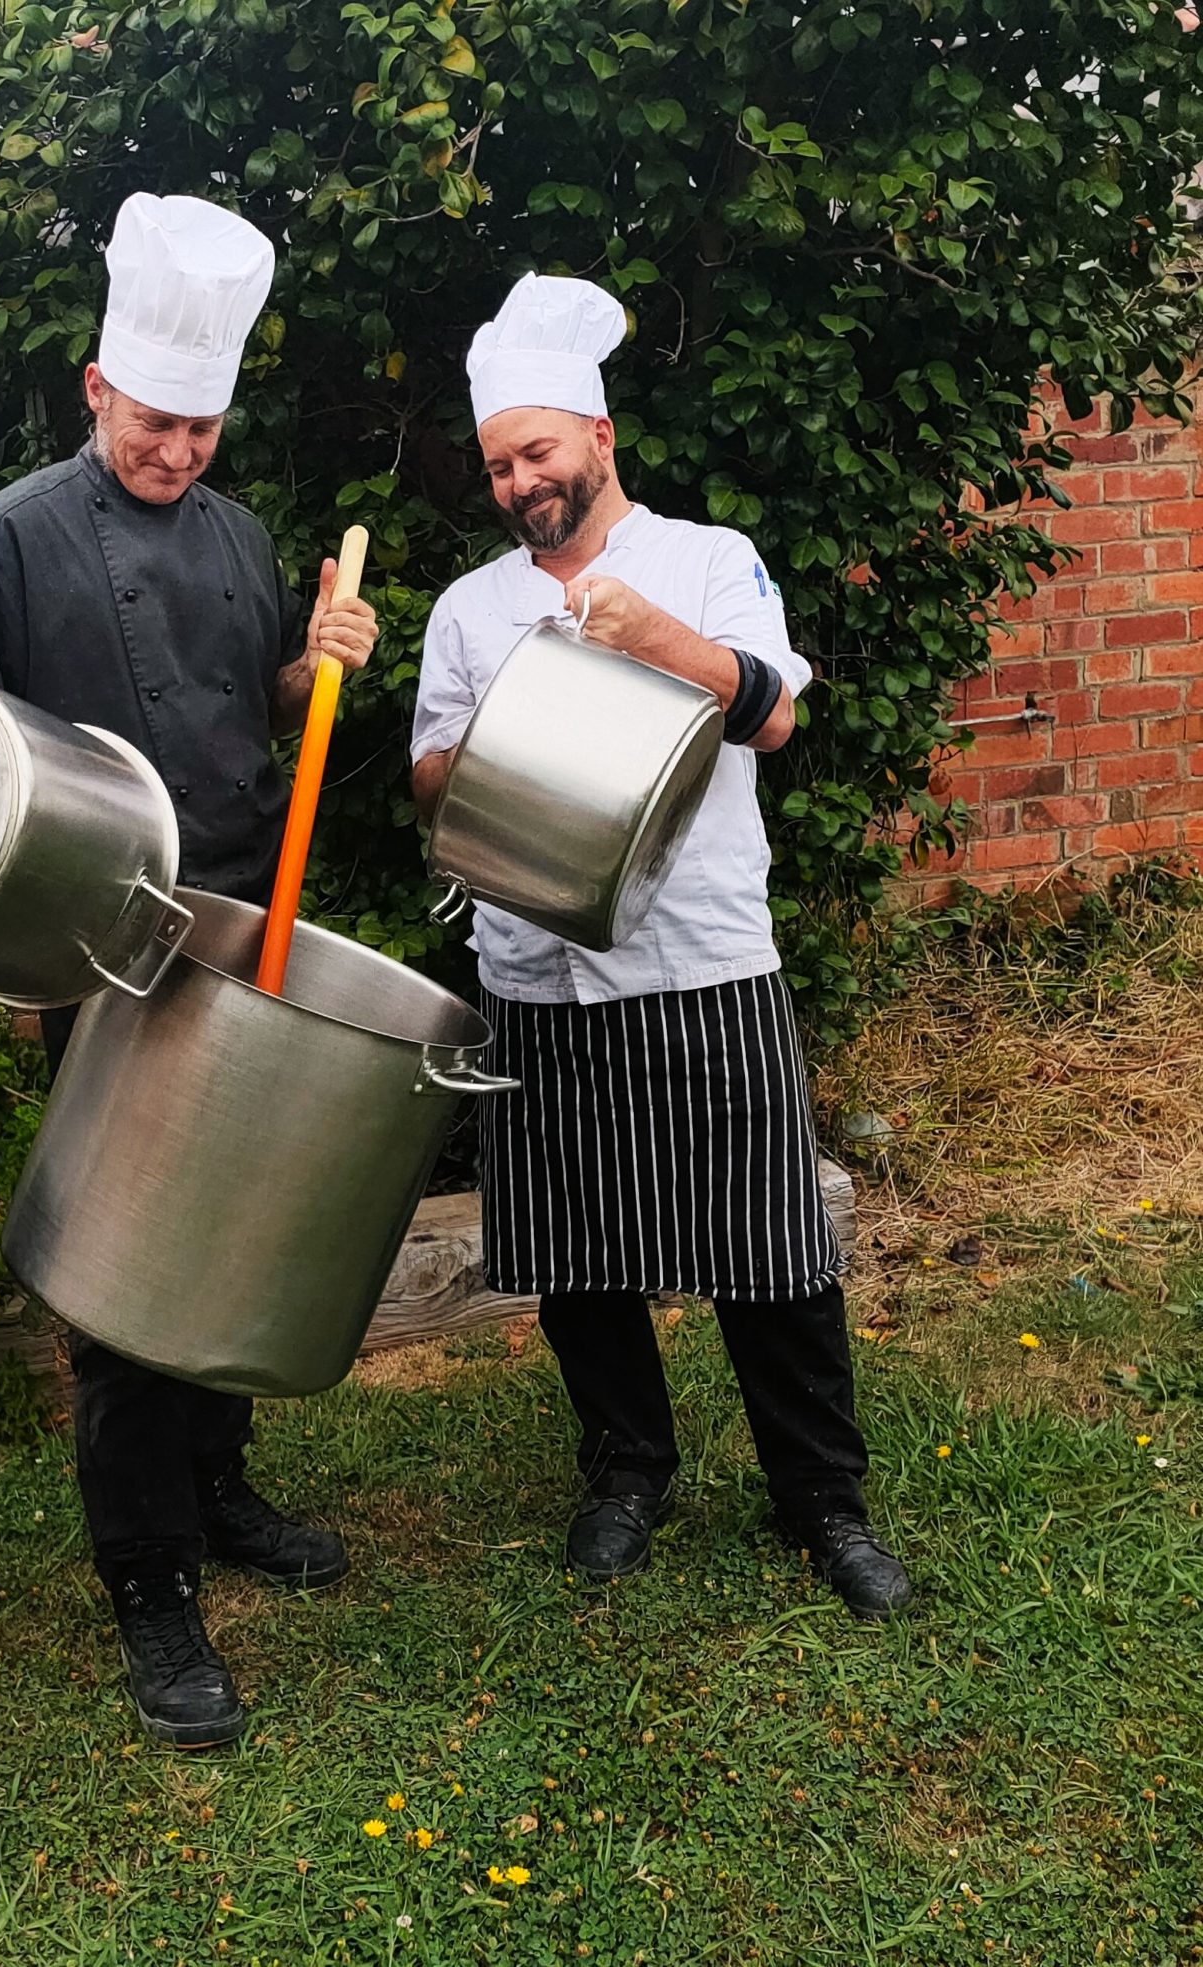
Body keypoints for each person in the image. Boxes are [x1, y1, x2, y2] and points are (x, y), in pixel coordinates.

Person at [0, 193, 380, 1746]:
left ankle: (223, 1492)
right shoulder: (7, 538)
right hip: (104, 942)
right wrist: (2, 954)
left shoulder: (248, 535)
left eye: (201, 426)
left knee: (234, 1230)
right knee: (131, 1278)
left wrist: (317, 665)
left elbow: (251, 707)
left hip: (248, 925)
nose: (177, 450)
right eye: (154, 420)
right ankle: (147, 1579)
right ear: (95, 390)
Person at [409, 273, 913, 1620]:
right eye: (501, 464)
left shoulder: (707, 559)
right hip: (535, 963)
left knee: (772, 1250)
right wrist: (499, 733)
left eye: (541, 452)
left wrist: (655, 640)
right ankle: (628, 1473)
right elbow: (429, 776)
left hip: (701, 954)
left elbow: (772, 717)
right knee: (579, 1252)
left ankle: (825, 1507)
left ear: (599, 437)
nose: (521, 483)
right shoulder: (467, 609)